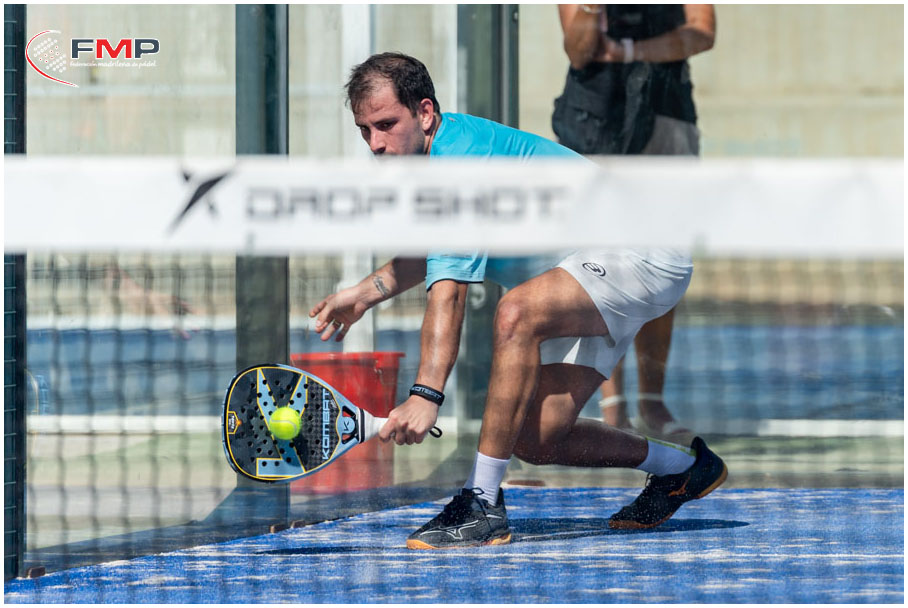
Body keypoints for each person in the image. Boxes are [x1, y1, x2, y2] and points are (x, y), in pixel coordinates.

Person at [310, 52, 726, 549]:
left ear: (424, 113)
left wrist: (425, 395)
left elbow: (449, 295)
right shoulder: (429, 164)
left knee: (517, 312)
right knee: (536, 438)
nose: (376, 144)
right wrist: (364, 293)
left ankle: (482, 502)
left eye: (385, 125)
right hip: (581, 268)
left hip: (641, 248)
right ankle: (684, 468)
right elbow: (439, 253)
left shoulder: (459, 166)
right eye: (365, 131)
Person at [554, 4, 716, 441]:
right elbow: (579, 50)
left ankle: (651, 401)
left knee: (665, 257)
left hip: (667, 118)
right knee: (601, 263)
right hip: (595, 123)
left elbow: (702, 31)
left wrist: (630, 51)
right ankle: (613, 404)